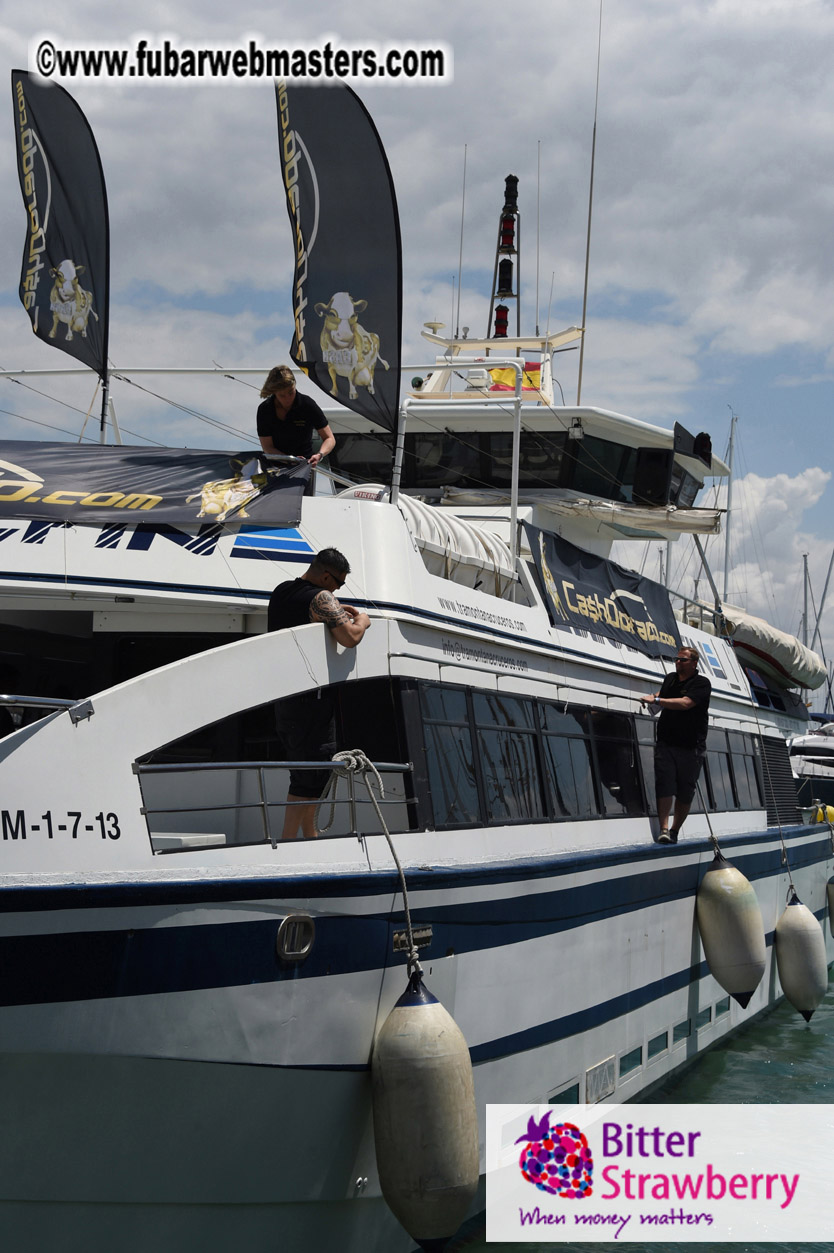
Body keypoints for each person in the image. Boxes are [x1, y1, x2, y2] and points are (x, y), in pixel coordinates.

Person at [268, 548, 370, 840]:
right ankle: (288, 843)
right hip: (309, 703)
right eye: (339, 583)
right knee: (310, 774)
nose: (338, 589)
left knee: (307, 773)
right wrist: (362, 620)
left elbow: (315, 616)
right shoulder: (321, 598)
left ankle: (310, 837)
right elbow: (350, 638)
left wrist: (338, 612)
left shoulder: (281, 592)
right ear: (326, 575)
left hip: (284, 701)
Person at [639, 646, 711, 844]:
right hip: (666, 742)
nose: (678, 662)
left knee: (685, 791)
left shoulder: (701, 683)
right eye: (676, 659)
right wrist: (654, 697)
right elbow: (663, 692)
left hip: (691, 747)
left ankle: (675, 830)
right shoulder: (670, 678)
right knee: (664, 784)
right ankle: (663, 829)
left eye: (683, 660)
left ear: (694, 663)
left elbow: (686, 703)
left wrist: (659, 700)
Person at [256, 365, 335, 467]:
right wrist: (290, 460)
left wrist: (320, 454)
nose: (288, 398)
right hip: (274, 467)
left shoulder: (307, 405)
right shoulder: (265, 410)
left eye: (290, 392)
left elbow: (329, 438)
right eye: (282, 395)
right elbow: (267, 447)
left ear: (295, 386)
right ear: (274, 392)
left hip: (305, 466)